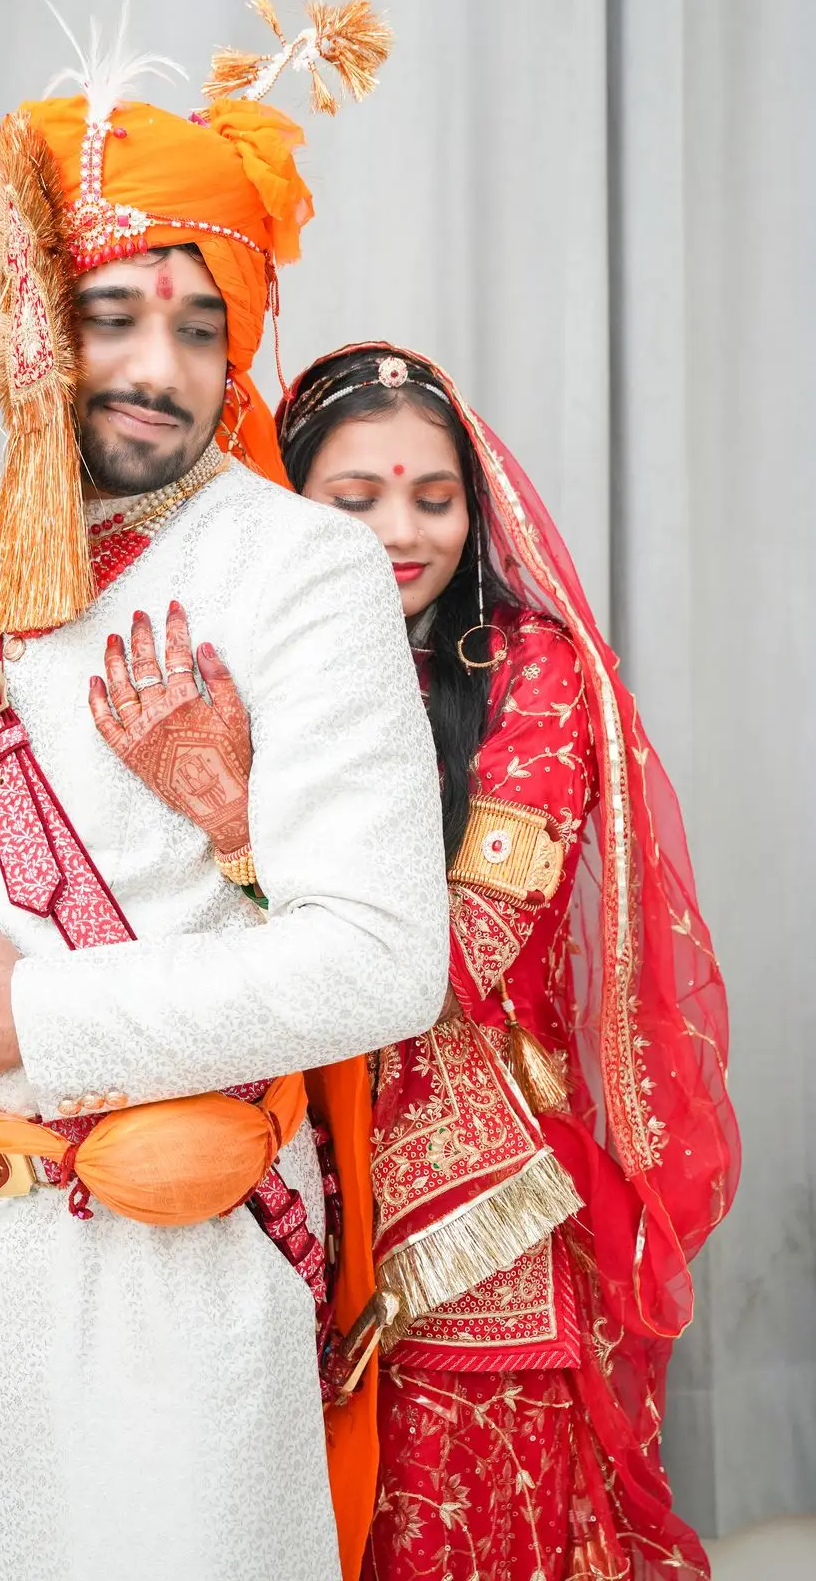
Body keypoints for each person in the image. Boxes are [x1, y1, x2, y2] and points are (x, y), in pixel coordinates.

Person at [0, 1, 469, 1581]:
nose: (161, 368)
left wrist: (37, 1021)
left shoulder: (306, 570)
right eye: (117, 313)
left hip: (177, 1283)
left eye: (202, 325)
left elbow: (380, 958)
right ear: (38, 319)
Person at [93, 341, 741, 1581]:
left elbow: (448, 966)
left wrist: (234, 823)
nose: (401, 531)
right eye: (354, 500)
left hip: (461, 1208)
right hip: (260, 1170)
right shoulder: (243, 661)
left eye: (433, 498)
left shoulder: (537, 684)